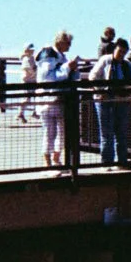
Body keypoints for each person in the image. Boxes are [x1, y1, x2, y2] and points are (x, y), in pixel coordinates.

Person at [35, 31, 76, 167]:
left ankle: (56, 158)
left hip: (61, 99)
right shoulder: (48, 54)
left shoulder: (61, 56)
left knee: (63, 132)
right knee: (49, 132)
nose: (69, 46)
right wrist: (67, 67)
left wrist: (73, 69)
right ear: (60, 41)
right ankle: (47, 162)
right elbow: (49, 78)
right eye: (68, 43)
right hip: (48, 99)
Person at [91, 38, 131, 164]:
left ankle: (122, 161)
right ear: (115, 49)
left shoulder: (126, 64)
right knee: (107, 133)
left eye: (124, 52)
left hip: (121, 101)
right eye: (120, 51)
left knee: (121, 133)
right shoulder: (105, 60)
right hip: (105, 101)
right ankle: (107, 162)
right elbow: (92, 77)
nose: (121, 55)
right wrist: (101, 91)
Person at [17, 44, 39, 123]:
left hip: (33, 80)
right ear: (26, 50)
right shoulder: (26, 59)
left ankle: (35, 112)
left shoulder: (32, 58)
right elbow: (30, 69)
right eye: (30, 50)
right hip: (27, 81)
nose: (32, 51)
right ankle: (20, 113)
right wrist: (36, 71)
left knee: (37, 97)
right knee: (26, 98)